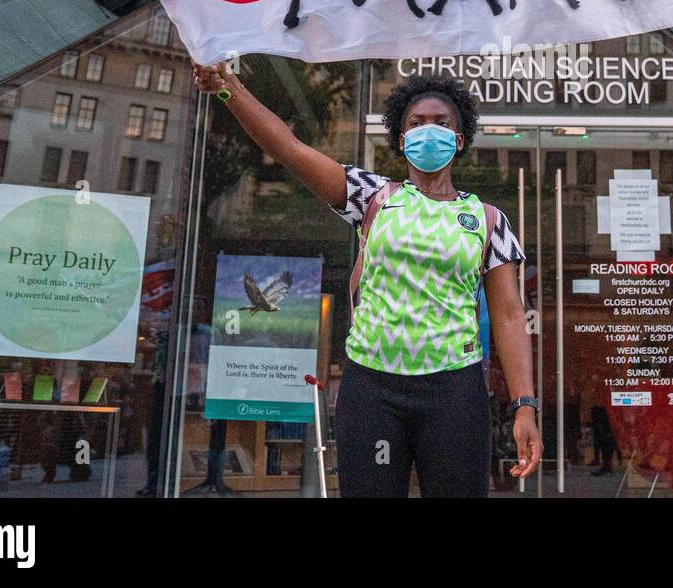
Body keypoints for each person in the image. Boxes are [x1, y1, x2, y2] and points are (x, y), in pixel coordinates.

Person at [190, 66, 541, 497]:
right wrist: (230, 89)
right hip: (374, 390)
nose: (428, 131)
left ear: (460, 139)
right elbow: (290, 149)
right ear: (399, 139)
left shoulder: (488, 220)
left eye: (441, 124)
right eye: (416, 124)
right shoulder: (372, 197)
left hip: (454, 390)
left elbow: (508, 316)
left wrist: (526, 405)